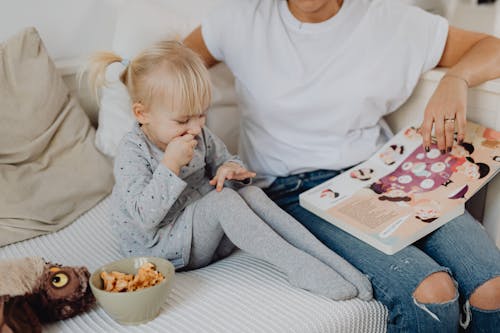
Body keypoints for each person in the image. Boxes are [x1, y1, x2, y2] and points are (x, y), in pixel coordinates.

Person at [183, 0, 500, 331]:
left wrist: (457, 79)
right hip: (291, 192)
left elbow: (491, 47)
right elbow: (170, 70)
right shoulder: (240, 17)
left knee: (492, 288)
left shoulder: (390, 19)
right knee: (431, 293)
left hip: (383, 177)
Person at [85, 40, 373, 301]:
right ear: (141, 114)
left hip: (207, 239)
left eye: (201, 114)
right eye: (183, 119)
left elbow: (227, 158)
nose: (196, 128)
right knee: (223, 202)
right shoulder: (133, 152)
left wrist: (230, 169)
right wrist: (170, 165)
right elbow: (144, 217)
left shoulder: (197, 133)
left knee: (252, 194)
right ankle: (297, 267)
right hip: (162, 251)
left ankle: (331, 262)